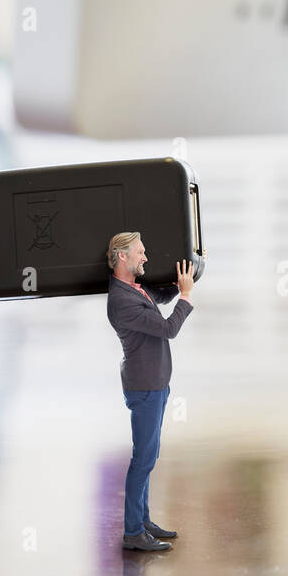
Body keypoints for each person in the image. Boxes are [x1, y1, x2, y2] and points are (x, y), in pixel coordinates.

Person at [107, 232, 203, 551]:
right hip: (145, 386)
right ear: (122, 256)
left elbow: (159, 298)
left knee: (149, 457)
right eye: (140, 253)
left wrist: (184, 281)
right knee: (143, 459)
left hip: (155, 383)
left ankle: (143, 521)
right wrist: (186, 297)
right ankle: (133, 532)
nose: (145, 257)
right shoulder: (121, 300)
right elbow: (168, 328)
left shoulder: (135, 287)